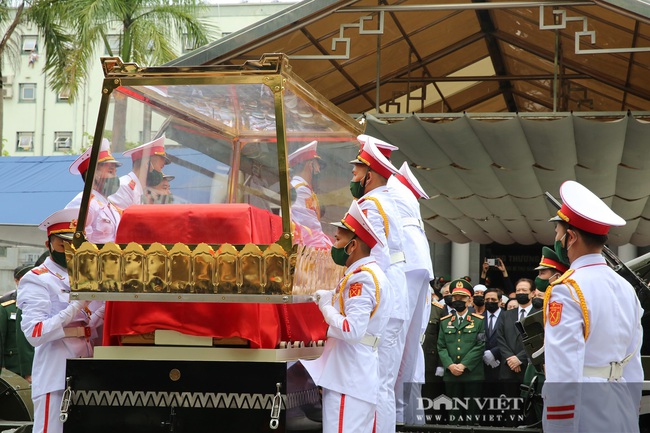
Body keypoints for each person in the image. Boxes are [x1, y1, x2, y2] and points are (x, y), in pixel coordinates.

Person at [543, 180, 642, 433]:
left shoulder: (566, 290)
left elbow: (564, 369)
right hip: (620, 406)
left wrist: (560, 426)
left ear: (571, 237)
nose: (556, 238)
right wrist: (630, 412)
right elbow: (633, 362)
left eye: (558, 232)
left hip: (584, 412)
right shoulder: (626, 288)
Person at [301, 200, 391, 433]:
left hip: (348, 378)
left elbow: (352, 330)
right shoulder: (369, 274)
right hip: (356, 374)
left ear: (353, 245)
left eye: (339, 240)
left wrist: (326, 308)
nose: (334, 244)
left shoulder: (361, 278)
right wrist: (330, 296)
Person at [17, 208, 105, 433]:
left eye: (74, 246)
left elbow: (85, 326)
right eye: (62, 245)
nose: (69, 252)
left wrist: (104, 307)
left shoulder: (82, 276)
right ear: (48, 245)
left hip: (85, 370)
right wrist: (77, 304)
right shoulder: (38, 279)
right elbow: (35, 333)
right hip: (55, 373)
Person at [349, 139, 406, 433]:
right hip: (395, 298)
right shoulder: (388, 200)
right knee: (383, 385)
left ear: (369, 175)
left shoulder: (371, 204)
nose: (353, 179)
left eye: (356, 172)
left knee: (377, 384)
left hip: (384, 300)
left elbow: (375, 255)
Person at [387, 159, 434, 426]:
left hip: (404, 262)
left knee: (398, 346)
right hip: (416, 263)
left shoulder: (391, 187)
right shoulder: (407, 200)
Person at [437, 278, 485, 425]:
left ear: (469, 300)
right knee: (454, 414)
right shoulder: (445, 321)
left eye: (462, 298)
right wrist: (450, 365)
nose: (458, 300)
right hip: (452, 375)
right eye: (455, 297)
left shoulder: (478, 321)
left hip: (472, 374)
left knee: (472, 414)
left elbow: (480, 345)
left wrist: (463, 365)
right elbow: (441, 346)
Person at [66, 138, 122, 243]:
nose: (115, 177)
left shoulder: (112, 207)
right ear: (94, 175)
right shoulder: (84, 203)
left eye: (115, 172)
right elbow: (77, 242)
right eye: (110, 171)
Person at [497, 278, 537, 405]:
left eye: (524, 290)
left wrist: (519, 358)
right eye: (518, 290)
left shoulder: (539, 313)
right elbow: (500, 338)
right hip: (508, 368)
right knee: (510, 406)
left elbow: (539, 339)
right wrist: (510, 358)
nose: (520, 293)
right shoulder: (506, 314)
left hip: (529, 367)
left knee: (529, 405)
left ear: (533, 293)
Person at [288, 140, 332, 248]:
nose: (318, 170)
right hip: (305, 248)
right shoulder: (301, 189)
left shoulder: (300, 187)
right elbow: (310, 226)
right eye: (318, 165)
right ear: (310, 165)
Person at [109, 135, 170, 208]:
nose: (161, 173)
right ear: (147, 164)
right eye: (161, 167)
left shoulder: (140, 190)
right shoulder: (124, 187)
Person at [0, 264, 34, 377]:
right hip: (14, 367)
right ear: (16, 280)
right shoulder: (6, 306)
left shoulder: (42, 303)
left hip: (38, 364)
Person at [482, 288, 503, 407]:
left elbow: (510, 340)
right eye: (487, 299)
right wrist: (485, 354)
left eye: (493, 299)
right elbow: (477, 339)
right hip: (483, 365)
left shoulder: (507, 317)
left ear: (500, 301)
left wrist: (494, 353)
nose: (490, 301)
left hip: (502, 363)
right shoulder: (478, 317)